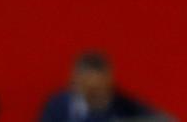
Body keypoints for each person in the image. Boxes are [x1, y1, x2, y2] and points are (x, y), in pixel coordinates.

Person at [39, 52, 167, 122]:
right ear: (75, 81)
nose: (94, 92)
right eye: (88, 88)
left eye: (98, 89)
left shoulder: (125, 105)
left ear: (108, 82)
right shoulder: (58, 106)